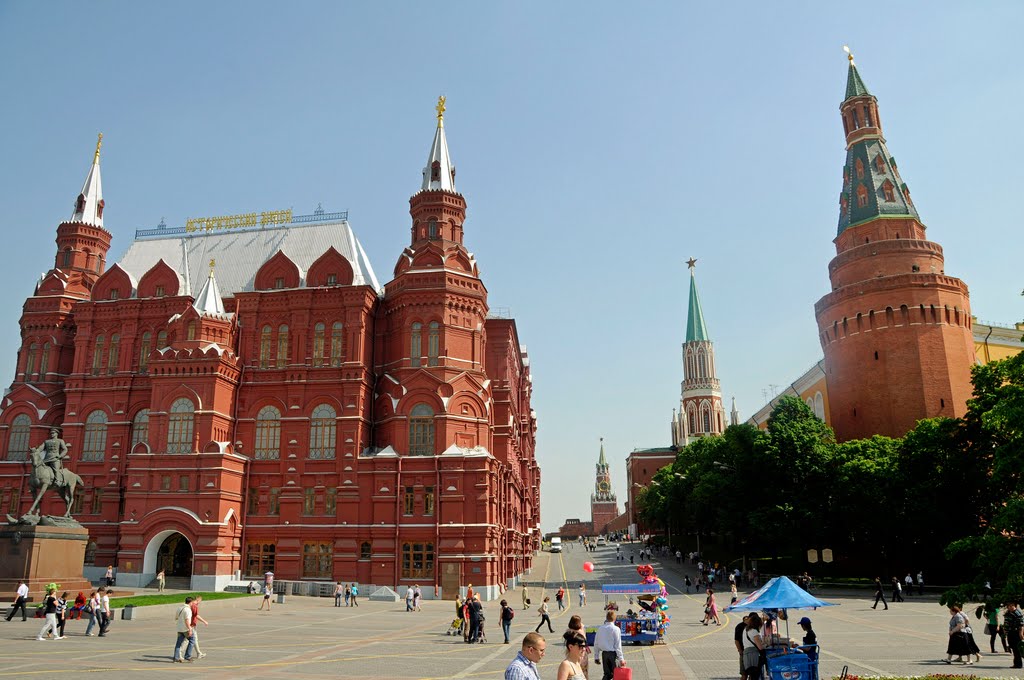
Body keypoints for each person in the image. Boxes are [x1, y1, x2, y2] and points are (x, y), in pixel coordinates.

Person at [593, 609, 625, 680]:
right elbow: (618, 645)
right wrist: (621, 658)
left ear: (606, 618)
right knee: (616, 674)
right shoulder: (616, 629)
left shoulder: (600, 628)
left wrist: (596, 656)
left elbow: (596, 643)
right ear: (615, 618)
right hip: (613, 654)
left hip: (604, 654)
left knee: (607, 674)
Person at [741, 612, 766, 680]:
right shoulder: (754, 632)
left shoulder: (745, 630)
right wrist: (765, 645)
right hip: (753, 655)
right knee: (755, 675)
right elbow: (760, 647)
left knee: (751, 675)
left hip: (746, 654)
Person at [173, 596, 196, 662]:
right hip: (185, 629)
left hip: (179, 628)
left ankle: (176, 657)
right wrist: (190, 629)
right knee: (192, 640)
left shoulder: (179, 608)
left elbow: (176, 617)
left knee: (178, 643)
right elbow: (187, 620)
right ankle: (187, 656)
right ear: (190, 602)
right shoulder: (188, 610)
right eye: (192, 603)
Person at [1004, 601, 1023, 668]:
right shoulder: (1008, 613)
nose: (1010, 607)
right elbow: (1006, 622)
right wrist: (1005, 631)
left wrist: (1021, 634)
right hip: (1010, 632)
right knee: (1013, 647)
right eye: (1009, 606)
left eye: (1012, 605)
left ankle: (1018, 664)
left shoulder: (1017, 613)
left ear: (1015, 606)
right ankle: (1016, 663)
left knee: (1016, 648)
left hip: (1016, 633)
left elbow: (1021, 625)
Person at [734, 613, 750, 678]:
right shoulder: (740, 627)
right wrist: (740, 650)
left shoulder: (751, 626)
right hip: (744, 651)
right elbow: (736, 640)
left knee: (747, 673)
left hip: (746, 651)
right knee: (744, 673)